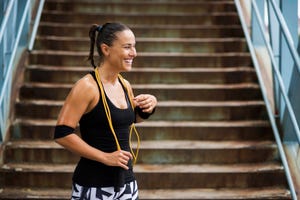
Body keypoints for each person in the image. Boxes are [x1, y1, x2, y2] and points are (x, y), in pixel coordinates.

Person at [54, 22, 157, 200]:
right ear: (106, 49)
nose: (134, 53)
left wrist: (149, 106)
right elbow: (62, 133)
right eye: (127, 47)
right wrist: (105, 157)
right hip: (94, 185)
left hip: (127, 183)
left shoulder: (124, 84)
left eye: (134, 47)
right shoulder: (87, 86)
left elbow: (130, 119)